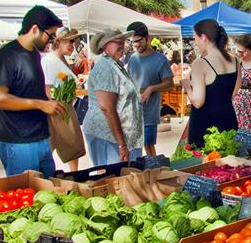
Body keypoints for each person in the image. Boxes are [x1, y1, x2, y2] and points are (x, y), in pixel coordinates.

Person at [0, 6, 66, 178]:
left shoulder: (33, 54)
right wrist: (40, 104)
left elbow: (29, 90)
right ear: (34, 29)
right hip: (19, 142)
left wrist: (49, 102)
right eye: (50, 35)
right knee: (27, 191)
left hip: (40, 137)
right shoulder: (7, 55)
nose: (51, 41)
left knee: (48, 189)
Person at [83, 28, 144, 165]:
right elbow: (107, 108)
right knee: (113, 175)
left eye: (123, 41)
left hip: (115, 135)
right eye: (117, 41)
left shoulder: (115, 64)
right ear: (104, 46)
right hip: (106, 134)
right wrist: (122, 144)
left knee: (124, 174)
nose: (122, 44)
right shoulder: (105, 67)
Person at [183, 20, 239, 146]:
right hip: (228, 120)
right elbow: (234, 93)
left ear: (203, 37)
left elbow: (198, 102)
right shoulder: (235, 61)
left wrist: (187, 85)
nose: (195, 42)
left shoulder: (200, 64)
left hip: (205, 127)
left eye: (195, 38)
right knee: (230, 157)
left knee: (205, 159)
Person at [126, 22, 174, 156]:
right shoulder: (133, 59)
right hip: (132, 113)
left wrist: (151, 88)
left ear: (148, 38)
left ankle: (154, 168)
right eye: (133, 42)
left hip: (149, 114)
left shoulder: (160, 59)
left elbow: (170, 84)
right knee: (133, 151)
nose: (135, 45)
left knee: (149, 147)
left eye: (138, 41)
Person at [42, 27, 83, 172]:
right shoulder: (50, 60)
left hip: (65, 107)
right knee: (56, 148)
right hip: (57, 110)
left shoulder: (61, 59)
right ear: (58, 41)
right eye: (69, 41)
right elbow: (47, 89)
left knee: (73, 148)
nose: (72, 44)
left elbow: (59, 80)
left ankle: (74, 175)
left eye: (74, 41)